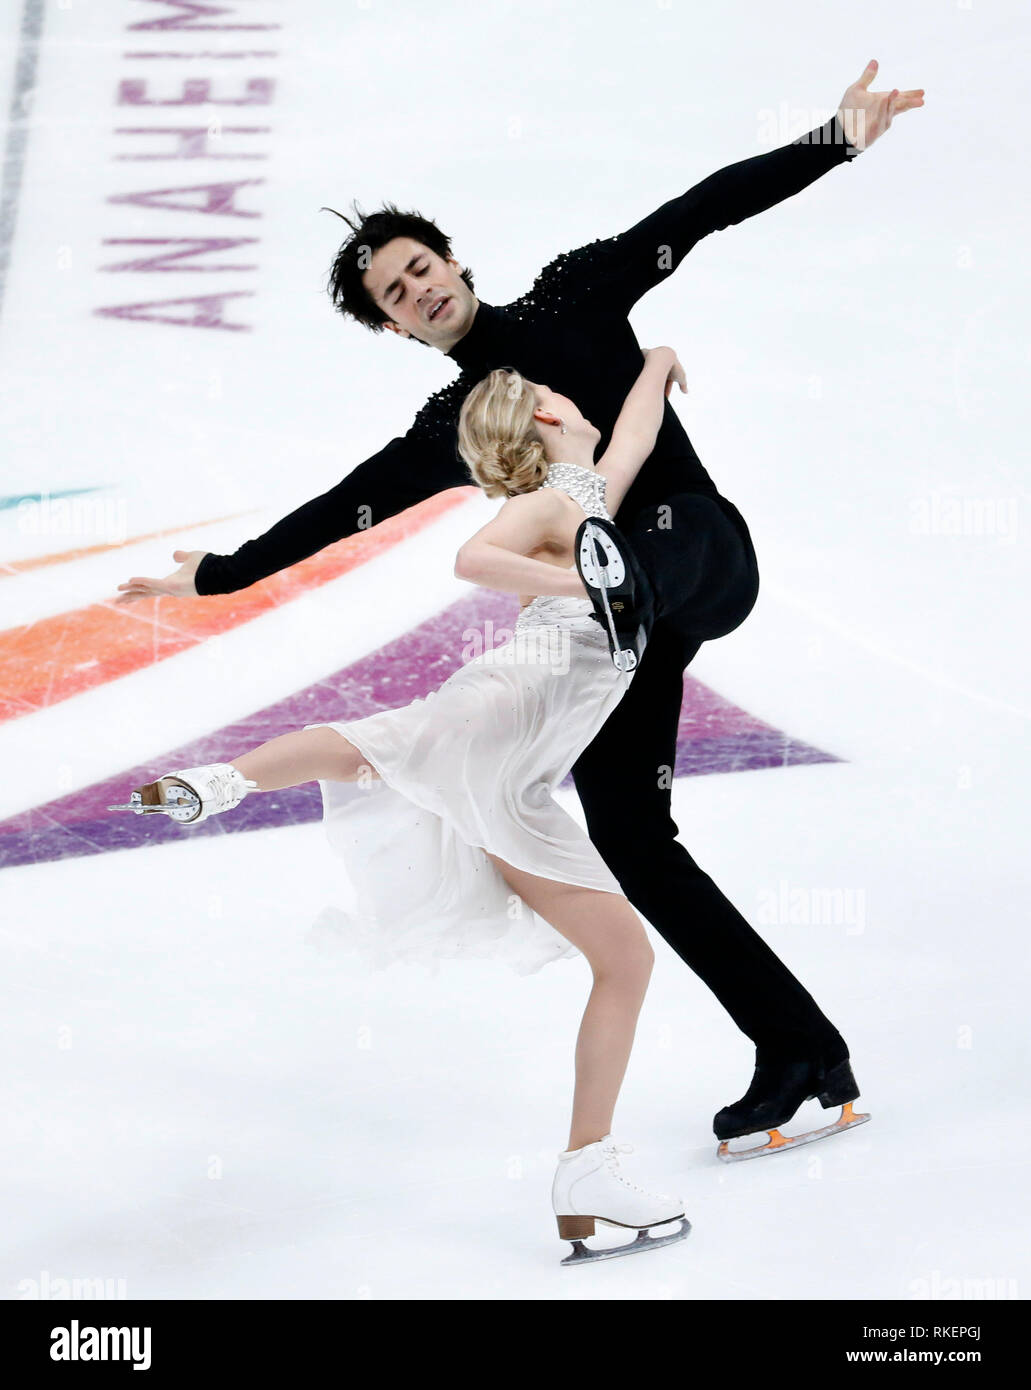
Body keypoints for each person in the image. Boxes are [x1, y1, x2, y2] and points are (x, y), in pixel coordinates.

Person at [115, 64, 924, 1157]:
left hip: (696, 551)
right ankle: (798, 1051)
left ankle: (614, 583)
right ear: (394, 329)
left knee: (624, 567)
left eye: (419, 268)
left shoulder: (574, 294)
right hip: (618, 619)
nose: (417, 291)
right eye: (396, 297)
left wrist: (835, 138)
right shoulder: (449, 425)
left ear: (451, 259)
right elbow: (338, 510)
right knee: (630, 834)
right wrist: (220, 573)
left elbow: (697, 210)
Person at [111, 348, 696, 1264]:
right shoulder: (555, 504)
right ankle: (219, 784)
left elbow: (631, 436)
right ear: (545, 422)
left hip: (522, 778)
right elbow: (475, 557)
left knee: (620, 957)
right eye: (556, 395)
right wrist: (588, 587)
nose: (571, 398)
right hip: (512, 702)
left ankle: (589, 1173)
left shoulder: (588, 491)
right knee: (391, 745)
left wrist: (657, 361)